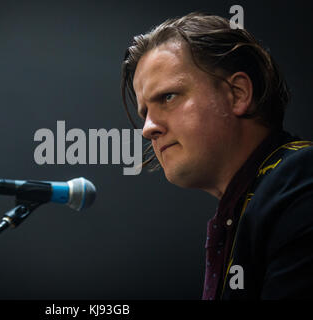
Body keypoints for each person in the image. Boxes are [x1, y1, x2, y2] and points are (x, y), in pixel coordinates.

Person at [120, 12, 313, 299]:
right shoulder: (253, 203)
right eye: (145, 112)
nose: (148, 129)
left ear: (237, 93)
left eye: (168, 97)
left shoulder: (301, 182)